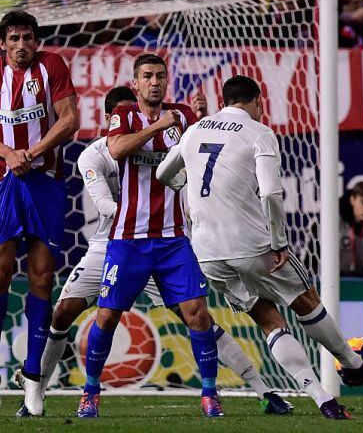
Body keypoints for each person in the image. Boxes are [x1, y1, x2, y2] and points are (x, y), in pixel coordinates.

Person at [35, 86, 292, 417]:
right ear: (110, 120)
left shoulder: (173, 133)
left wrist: (201, 119)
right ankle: (36, 392)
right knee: (64, 313)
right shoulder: (94, 155)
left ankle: (262, 389)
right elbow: (105, 205)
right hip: (112, 244)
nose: (133, 121)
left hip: (166, 241)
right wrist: (138, 208)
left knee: (200, 318)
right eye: (122, 116)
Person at [157, 74, 363, 420]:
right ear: (257, 101)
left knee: (268, 320)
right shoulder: (259, 133)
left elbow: (165, 173)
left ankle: (322, 399)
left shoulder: (195, 130)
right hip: (251, 244)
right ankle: (352, 362)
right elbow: (271, 192)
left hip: (208, 252)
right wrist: (279, 241)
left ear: (224, 100)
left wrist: (185, 182)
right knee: (305, 301)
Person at [77, 54, 220, 419]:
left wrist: (203, 120)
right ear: (136, 83)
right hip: (128, 239)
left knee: (198, 314)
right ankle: (91, 391)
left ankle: (209, 394)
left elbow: (205, 154)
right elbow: (116, 149)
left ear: (166, 80)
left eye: (160, 76)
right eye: (147, 77)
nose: (154, 82)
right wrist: (159, 127)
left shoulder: (183, 114)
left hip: (173, 238)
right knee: (107, 317)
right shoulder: (124, 115)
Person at [0, 10, 79, 416]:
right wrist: (8, 153)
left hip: (45, 182)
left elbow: (70, 120)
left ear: (37, 41)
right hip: (5, 183)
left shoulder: (53, 66)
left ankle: (33, 377)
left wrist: (32, 152)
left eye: (28, 37)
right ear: (2, 43)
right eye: (13, 38)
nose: (21, 45)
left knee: (43, 277)